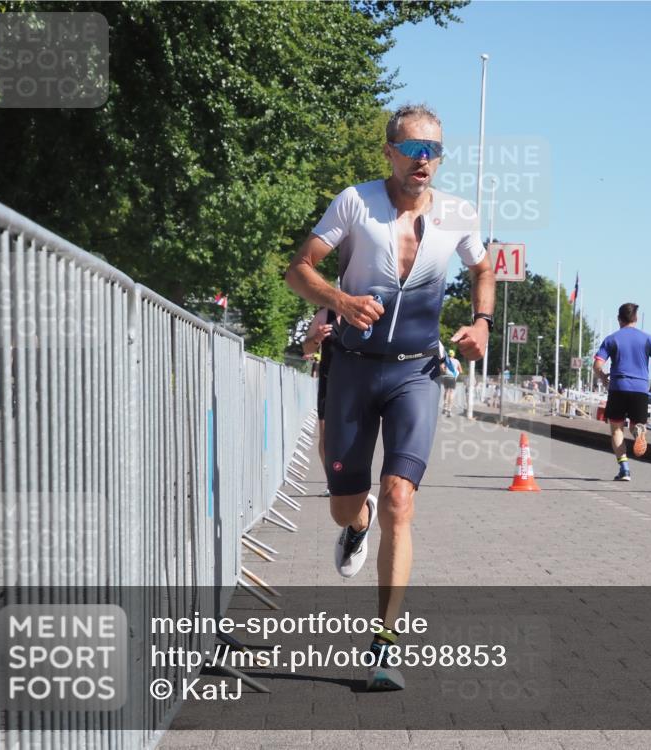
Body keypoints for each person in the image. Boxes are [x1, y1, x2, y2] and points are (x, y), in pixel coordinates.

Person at [285, 103, 495, 691]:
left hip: (415, 374)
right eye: (413, 149)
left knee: (400, 498)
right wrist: (342, 301)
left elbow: (483, 270)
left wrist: (481, 323)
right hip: (350, 369)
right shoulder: (355, 203)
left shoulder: (458, 214)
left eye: (434, 151)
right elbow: (298, 270)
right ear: (390, 153)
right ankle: (357, 523)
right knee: (346, 504)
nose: (424, 160)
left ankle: (384, 644)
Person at [593, 303, 651, 481]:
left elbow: (597, 365)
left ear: (619, 319)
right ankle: (638, 432)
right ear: (636, 318)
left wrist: (603, 378)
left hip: (618, 387)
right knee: (635, 425)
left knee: (617, 429)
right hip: (640, 389)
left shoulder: (612, 339)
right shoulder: (647, 338)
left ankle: (624, 468)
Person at [302, 308, 336, 496]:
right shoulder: (324, 316)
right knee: (326, 437)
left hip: (357, 385)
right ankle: (332, 482)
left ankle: (352, 481)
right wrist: (316, 338)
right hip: (329, 383)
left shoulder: (364, 311)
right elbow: (306, 349)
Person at [440, 349, 462, 417]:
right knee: (451, 392)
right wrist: (456, 372)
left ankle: (445, 407)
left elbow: (441, 366)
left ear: (449, 354)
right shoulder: (457, 361)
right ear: (454, 354)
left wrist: (444, 370)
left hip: (446, 376)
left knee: (446, 391)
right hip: (452, 377)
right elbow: (461, 371)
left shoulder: (446, 360)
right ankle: (449, 410)